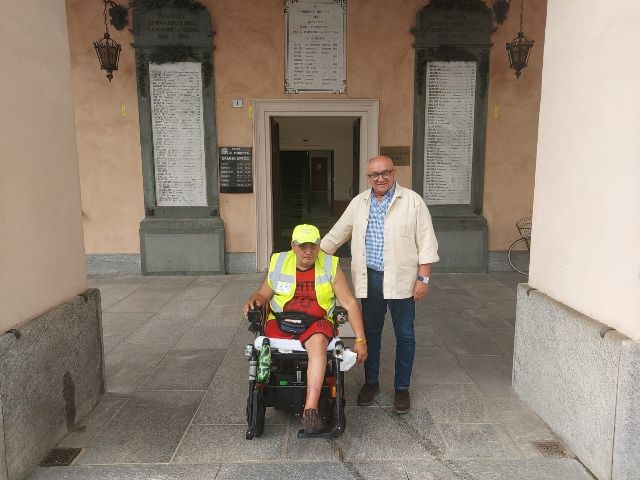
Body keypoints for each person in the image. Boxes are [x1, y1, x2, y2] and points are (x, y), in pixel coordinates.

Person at [320, 155, 439, 414]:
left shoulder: (413, 201)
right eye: (374, 174)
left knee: (405, 335)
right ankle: (371, 382)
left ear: (393, 173)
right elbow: (336, 235)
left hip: (403, 279)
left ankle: (402, 388)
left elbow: (427, 242)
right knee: (370, 333)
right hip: (371, 278)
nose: (380, 178)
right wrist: (307, 255)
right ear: (368, 177)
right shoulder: (359, 203)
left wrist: (423, 278)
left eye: (385, 173)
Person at [243, 224, 368, 434]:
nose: (308, 251)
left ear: (319, 246)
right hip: (282, 323)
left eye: (313, 246)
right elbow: (263, 295)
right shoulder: (280, 261)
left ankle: (310, 410)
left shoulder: (330, 265)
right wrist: (252, 302)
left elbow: (349, 302)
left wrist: (360, 339)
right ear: (293, 246)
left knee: (318, 340)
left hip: (316, 323)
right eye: (302, 246)